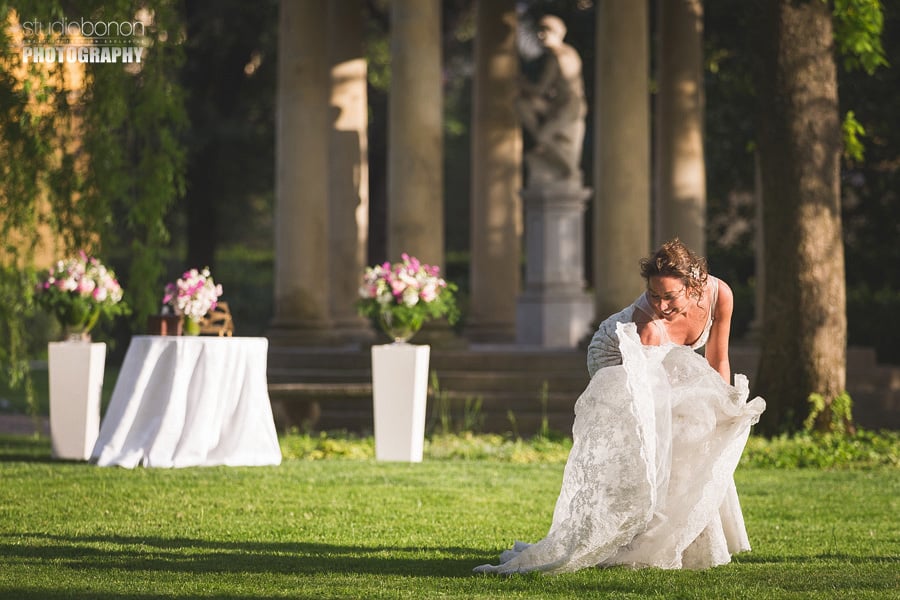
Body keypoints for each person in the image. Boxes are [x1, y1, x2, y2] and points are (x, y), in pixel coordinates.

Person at [474, 239, 765, 574]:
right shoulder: (648, 325)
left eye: (670, 296)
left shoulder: (718, 294)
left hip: (668, 361)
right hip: (617, 357)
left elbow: (718, 357)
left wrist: (722, 403)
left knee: (696, 434)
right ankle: (623, 538)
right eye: (654, 295)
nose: (661, 304)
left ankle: (682, 540)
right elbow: (648, 401)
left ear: (694, 285)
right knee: (647, 449)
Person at [516, 14, 587, 186]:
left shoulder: (557, 56)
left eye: (546, 31)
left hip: (568, 108)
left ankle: (569, 169)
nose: (541, 36)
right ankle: (559, 162)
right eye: (540, 31)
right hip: (560, 106)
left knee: (542, 136)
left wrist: (520, 83)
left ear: (558, 33)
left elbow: (541, 89)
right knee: (522, 105)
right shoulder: (570, 52)